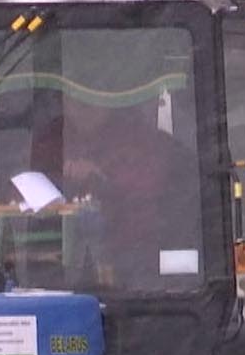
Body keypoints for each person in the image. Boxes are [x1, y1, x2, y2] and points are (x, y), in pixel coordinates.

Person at [59, 102, 200, 287]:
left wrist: (101, 179)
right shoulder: (50, 140)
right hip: (57, 270)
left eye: (89, 102)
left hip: (139, 264)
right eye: (73, 99)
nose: (80, 106)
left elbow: (159, 193)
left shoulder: (152, 145)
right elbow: (18, 187)